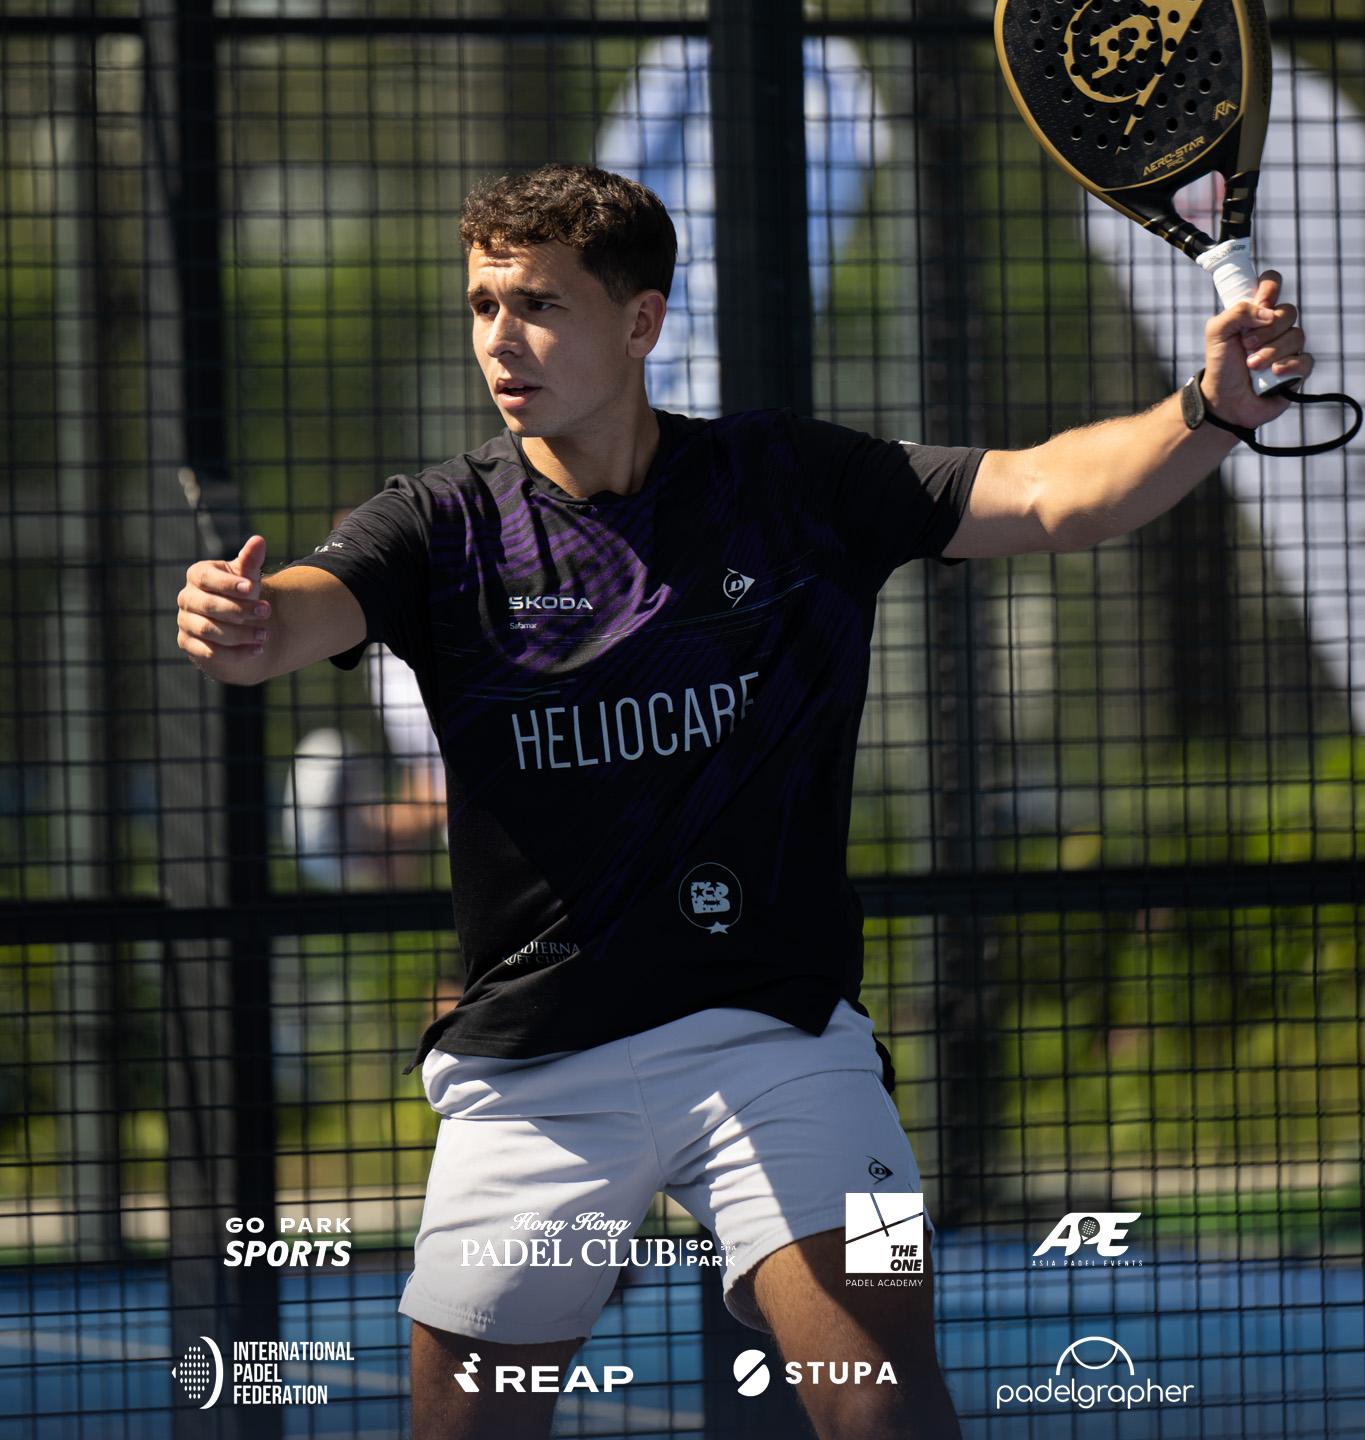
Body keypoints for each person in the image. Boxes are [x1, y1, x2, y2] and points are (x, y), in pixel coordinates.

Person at [176, 163, 1312, 1440]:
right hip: (534, 1072)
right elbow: (301, 617)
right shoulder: (438, 523)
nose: (502, 335)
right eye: (484, 302)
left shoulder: (791, 480)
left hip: (790, 1047)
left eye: (540, 302)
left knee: (887, 1400)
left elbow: (1053, 491)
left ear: (642, 321)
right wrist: (247, 620)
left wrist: (1211, 407)